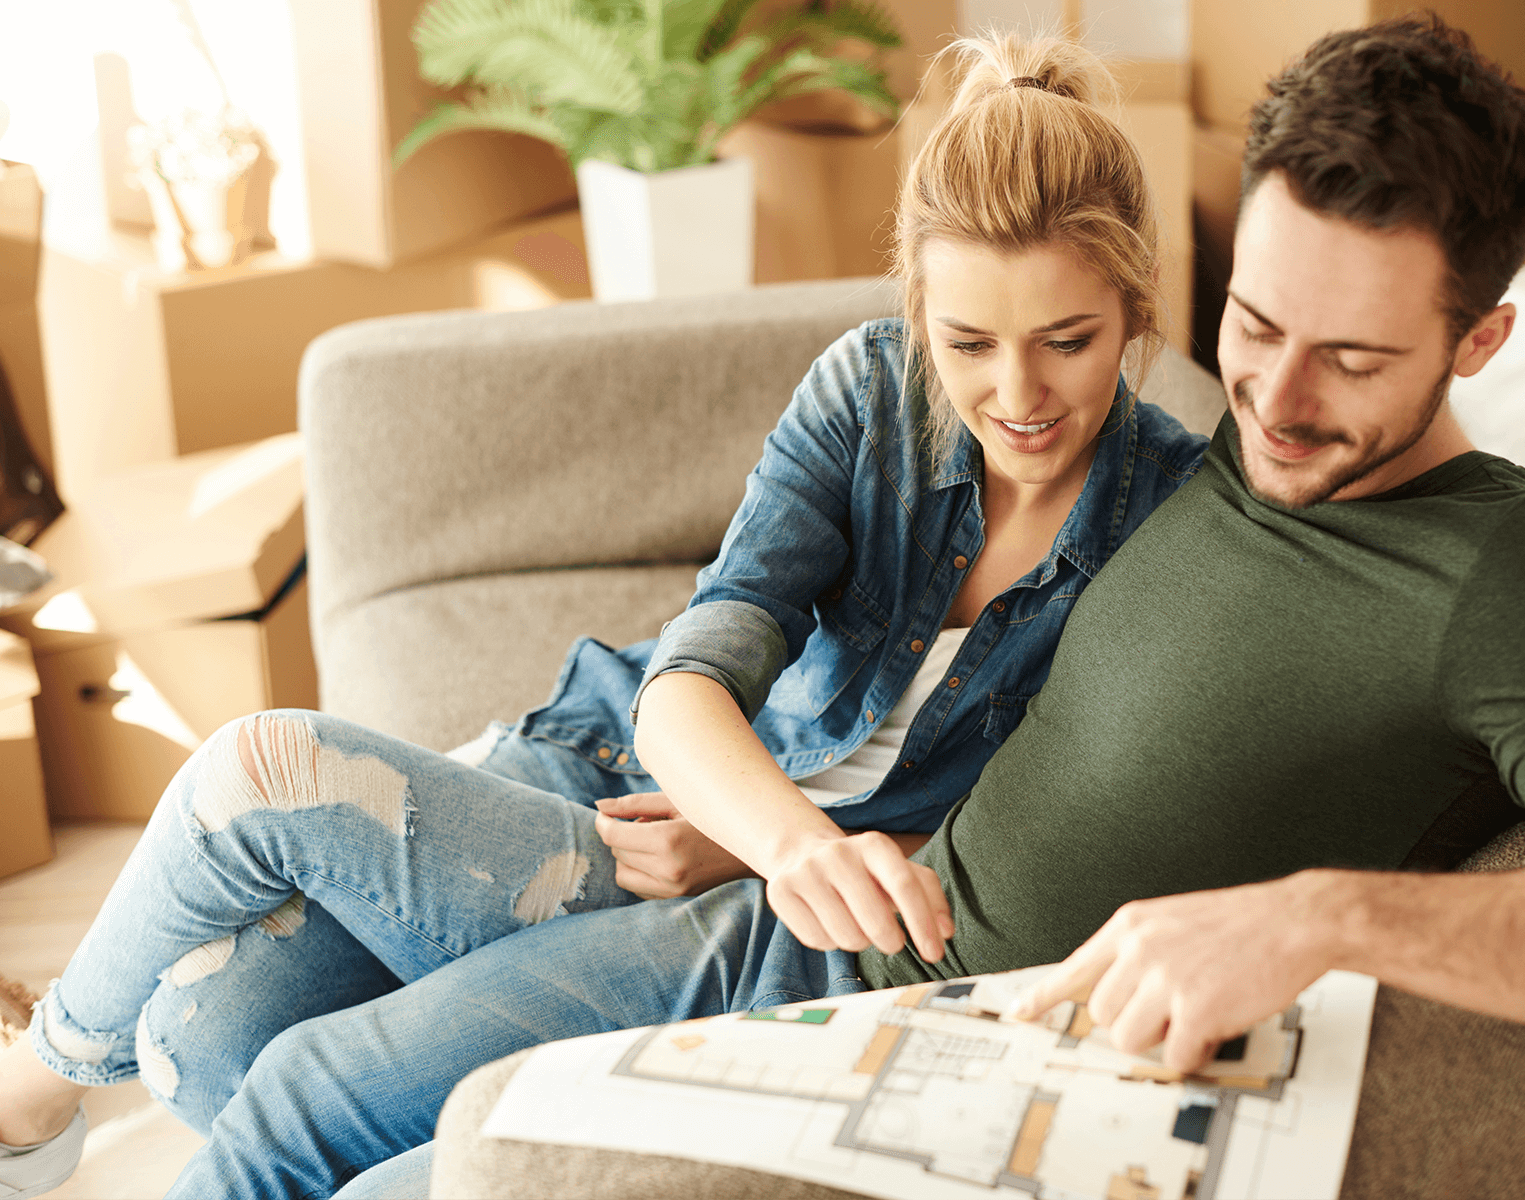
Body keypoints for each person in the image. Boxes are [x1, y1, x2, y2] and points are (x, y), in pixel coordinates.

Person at [0, 33, 1209, 1200]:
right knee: (196, 1041)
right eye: (968, 343)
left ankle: (30, 1105)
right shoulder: (871, 390)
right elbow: (697, 665)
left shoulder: (1177, 517)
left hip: (742, 900)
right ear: (916, 312)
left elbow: (1059, 826)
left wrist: (752, 849)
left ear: (1137, 306)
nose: (1019, 394)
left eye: (1069, 341)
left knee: (268, 880)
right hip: (627, 786)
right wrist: (777, 832)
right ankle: (36, 1094)